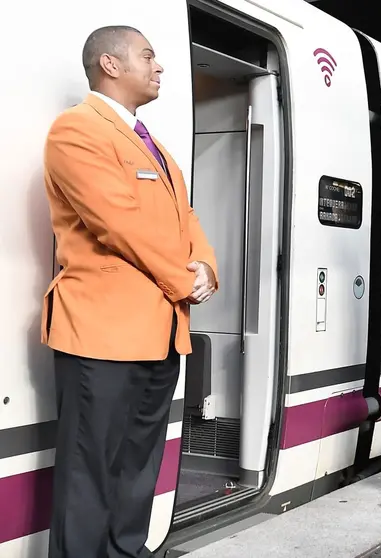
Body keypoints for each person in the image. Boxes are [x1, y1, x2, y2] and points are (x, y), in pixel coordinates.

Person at [42, 26, 218, 557]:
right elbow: (117, 224)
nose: (159, 66)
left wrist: (207, 264)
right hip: (101, 337)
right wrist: (183, 281)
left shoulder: (156, 147)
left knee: (139, 467)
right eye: (148, 56)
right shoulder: (76, 132)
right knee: (88, 472)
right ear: (110, 65)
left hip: (161, 336)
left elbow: (184, 216)